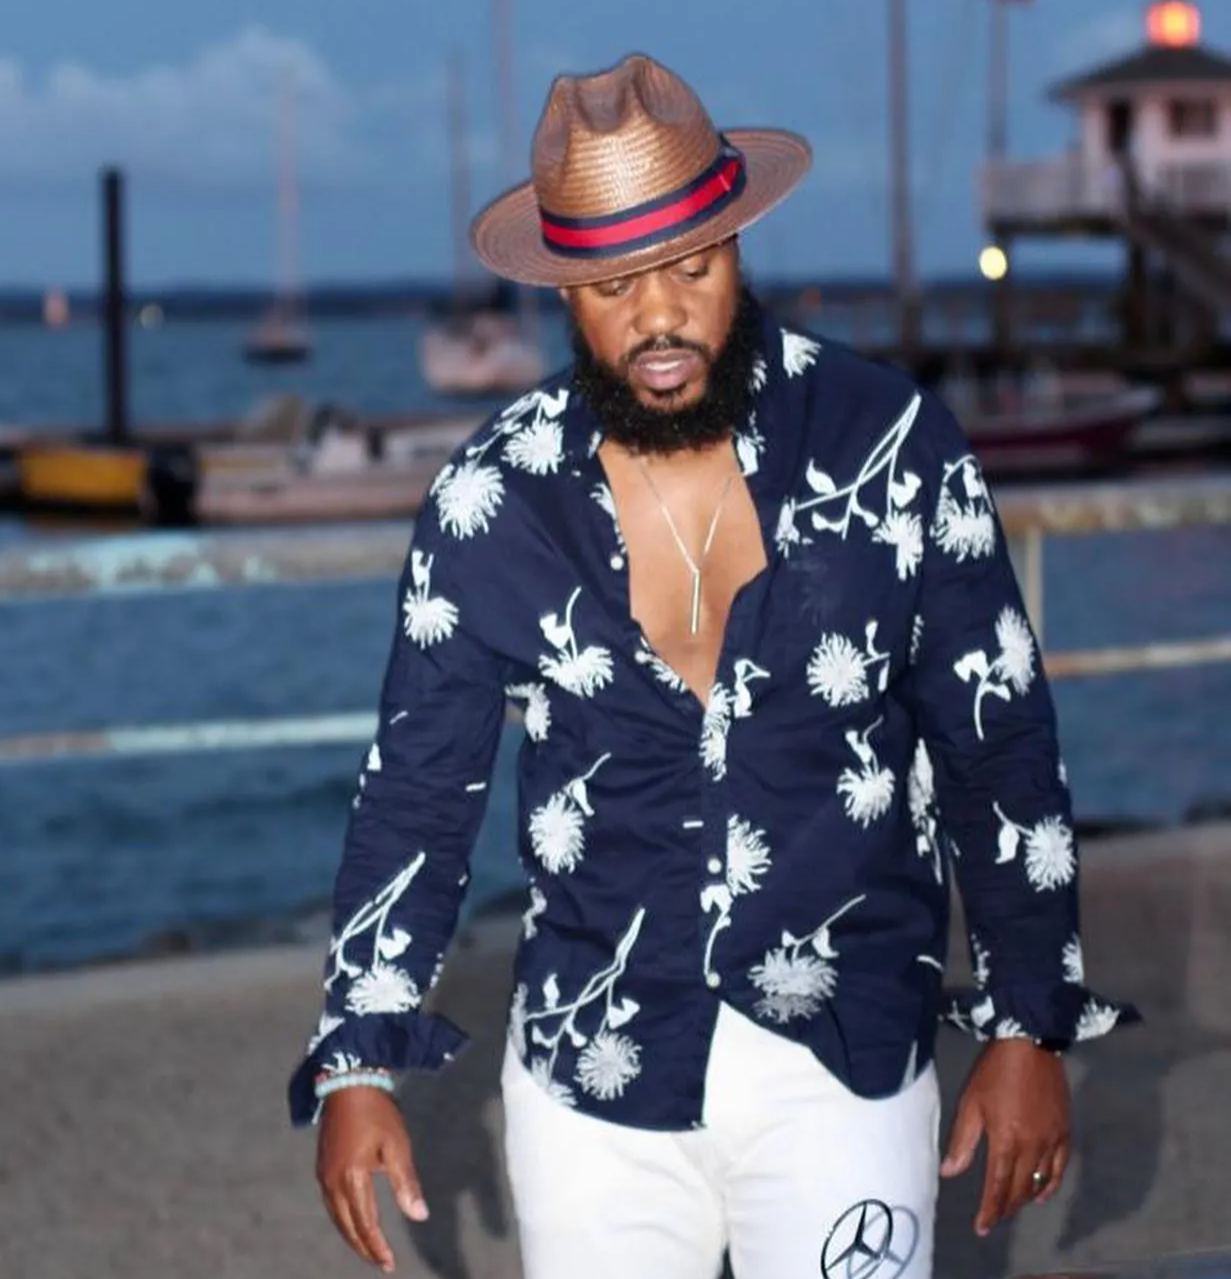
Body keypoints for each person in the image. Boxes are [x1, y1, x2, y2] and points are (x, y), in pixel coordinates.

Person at [286, 51, 1140, 1278]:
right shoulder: (493, 499)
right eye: (614, 286)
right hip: (594, 1074)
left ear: (737, 243)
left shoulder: (892, 444)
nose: (659, 320)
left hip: (849, 1047)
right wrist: (359, 1057)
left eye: (691, 268)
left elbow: (994, 739)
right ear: (563, 290)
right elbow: (418, 789)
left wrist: (1028, 1025)